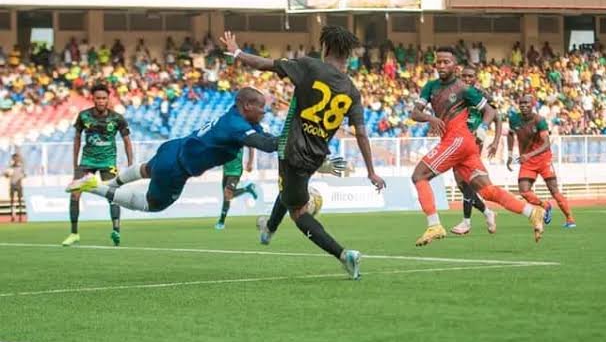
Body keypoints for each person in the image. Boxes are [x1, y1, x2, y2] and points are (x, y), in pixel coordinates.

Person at [220, 26, 386, 280]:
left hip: (292, 149)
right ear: (348, 54)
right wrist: (371, 172)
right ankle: (268, 229)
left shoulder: (310, 66)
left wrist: (237, 52)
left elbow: (265, 64)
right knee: (288, 190)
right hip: (316, 156)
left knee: (298, 212)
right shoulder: (352, 90)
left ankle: (344, 255)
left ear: (325, 47)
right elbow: (361, 133)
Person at [66, 88, 278, 218]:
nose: (264, 112)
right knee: (151, 205)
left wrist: (284, 134)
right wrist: (291, 136)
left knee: (147, 169)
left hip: (172, 147)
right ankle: (94, 186)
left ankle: (109, 184)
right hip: (176, 169)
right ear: (247, 106)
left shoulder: (236, 115)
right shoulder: (236, 126)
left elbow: (265, 136)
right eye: (261, 108)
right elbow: (267, 145)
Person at [410, 47, 545, 246]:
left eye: (446, 62)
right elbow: (414, 113)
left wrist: (482, 128)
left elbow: (490, 111)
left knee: (419, 176)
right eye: (439, 62)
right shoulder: (430, 87)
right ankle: (531, 212)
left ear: (455, 66)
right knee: (487, 191)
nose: (442, 65)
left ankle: (434, 225)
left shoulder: (463, 88)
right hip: (464, 146)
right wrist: (430, 118)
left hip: (457, 141)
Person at [62, 84, 133, 247]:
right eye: (98, 98)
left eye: (104, 98)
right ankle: (74, 234)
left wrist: (130, 164)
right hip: (87, 161)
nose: (101, 101)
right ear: (93, 99)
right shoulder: (84, 116)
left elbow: (127, 141)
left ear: (108, 99)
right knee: (75, 194)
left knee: (113, 196)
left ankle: (116, 231)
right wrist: (75, 162)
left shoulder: (117, 118)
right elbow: (77, 138)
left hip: (108, 162)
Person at [507, 94, 576, 228]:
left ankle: (569, 218)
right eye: (521, 103)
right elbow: (510, 134)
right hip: (527, 161)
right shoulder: (514, 119)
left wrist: (529, 155)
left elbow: (546, 143)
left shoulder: (539, 120)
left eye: (526, 103)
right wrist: (510, 154)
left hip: (543, 159)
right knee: (524, 191)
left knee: (554, 190)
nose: (523, 106)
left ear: (532, 105)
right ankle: (545, 205)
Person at [450, 67, 501, 236]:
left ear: (475, 78)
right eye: (464, 76)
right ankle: (487, 212)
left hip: (473, 142)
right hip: (457, 141)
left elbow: (497, 117)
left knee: (467, 181)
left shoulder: (481, 95)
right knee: (462, 185)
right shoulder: (456, 93)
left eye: (470, 76)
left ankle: (466, 222)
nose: (467, 78)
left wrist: (495, 141)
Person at [215, 148, 258, 230]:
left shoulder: (240, 139)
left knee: (228, 194)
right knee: (226, 197)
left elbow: (251, 147)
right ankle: (221, 221)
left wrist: (250, 162)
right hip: (226, 170)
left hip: (236, 170)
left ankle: (221, 222)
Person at [4, 152, 25, 222]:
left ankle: (20, 215)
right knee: (12, 201)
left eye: (17, 158)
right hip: (12, 184)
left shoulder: (21, 167)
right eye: (14, 158)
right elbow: (6, 175)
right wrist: (7, 174)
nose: (15, 159)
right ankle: (12, 215)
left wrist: (21, 177)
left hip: (19, 185)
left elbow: (24, 175)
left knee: (20, 200)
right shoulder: (10, 167)